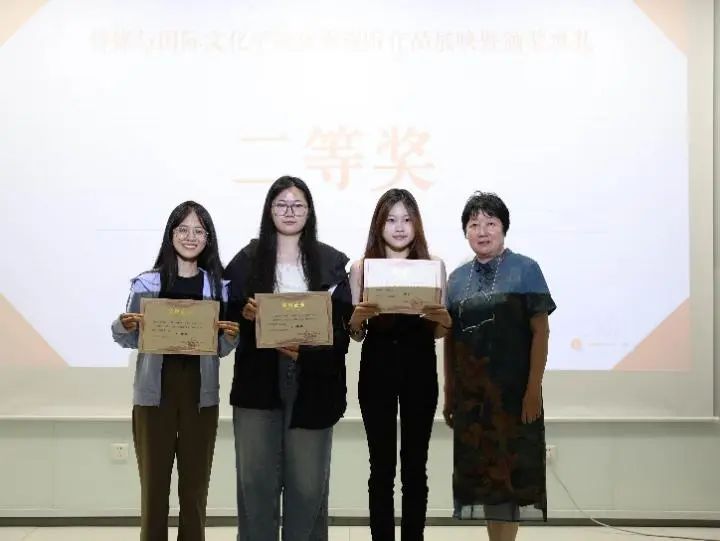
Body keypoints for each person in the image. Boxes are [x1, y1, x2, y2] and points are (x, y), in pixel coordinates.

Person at [223, 175, 352, 541]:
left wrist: (309, 349)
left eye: (298, 205)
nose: (290, 212)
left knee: (309, 485)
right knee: (255, 481)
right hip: (257, 381)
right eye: (281, 204)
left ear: (309, 212)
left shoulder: (330, 262)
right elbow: (224, 319)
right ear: (269, 210)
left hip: (314, 382)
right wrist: (243, 315)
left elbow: (343, 330)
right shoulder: (246, 261)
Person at [111, 201, 240, 541]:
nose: (190, 237)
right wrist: (123, 325)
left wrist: (231, 337)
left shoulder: (219, 287)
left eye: (199, 231)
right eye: (183, 229)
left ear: (208, 239)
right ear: (171, 234)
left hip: (200, 394)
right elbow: (130, 338)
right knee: (153, 487)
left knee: (195, 488)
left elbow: (220, 347)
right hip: (154, 393)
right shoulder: (146, 284)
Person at [443, 191, 556, 541]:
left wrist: (533, 390)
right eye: (474, 224)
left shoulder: (526, 269)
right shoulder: (456, 279)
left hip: (514, 396)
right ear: (465, 232)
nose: (482, 231)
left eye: (490, 223)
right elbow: (449, 340)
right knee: (487, 483)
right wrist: (449, 392)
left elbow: (541, 332)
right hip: (473, 401)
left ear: (504, 227)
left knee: (510, 483)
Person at [347, 188, 451, 541]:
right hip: (376, 370)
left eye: (407, 219)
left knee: (415, 467)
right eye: (391, 219)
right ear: (379, 225)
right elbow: (357, 335)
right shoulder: (361, 268)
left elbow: (438, 331)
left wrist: (445, 322)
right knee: (381, 467)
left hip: (420, 370)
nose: (400, 227)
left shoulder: (434, 266)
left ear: (417, 224)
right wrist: (355, 320)